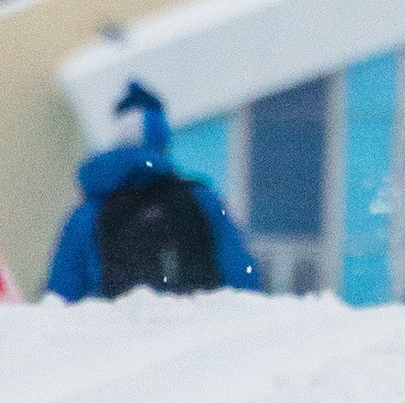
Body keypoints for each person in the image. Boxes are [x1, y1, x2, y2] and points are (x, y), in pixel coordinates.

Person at [47, 82, 262, 299]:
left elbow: (61, 296)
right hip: (196, 329)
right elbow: (242, 280)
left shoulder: (87, 214)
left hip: (113, 331)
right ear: (162, 135)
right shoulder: (200, 201)